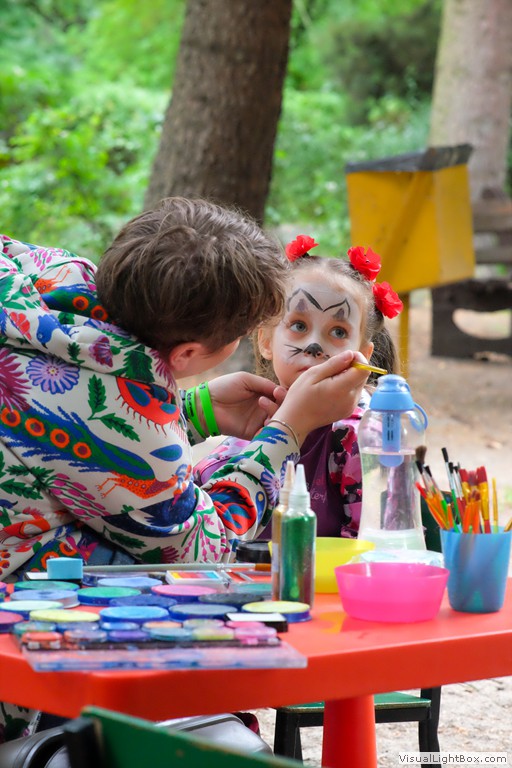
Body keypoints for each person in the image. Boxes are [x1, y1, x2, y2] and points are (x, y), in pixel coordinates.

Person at [0, 202, 370, 741]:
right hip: (20, 662)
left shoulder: (42, 270)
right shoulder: (129, 423)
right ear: (189, 352)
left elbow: (86, 433)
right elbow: (203, 550)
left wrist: (187, 411)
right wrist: (286, 432)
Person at [195, 233, 402, 538]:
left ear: (363, 355)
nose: (314, 345)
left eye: (338, 332)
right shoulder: (252, 420)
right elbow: (201, 513)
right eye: (299, 326)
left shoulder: (361, 438)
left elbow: (371, 546)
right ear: (266, 341)